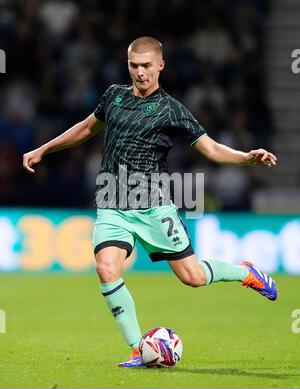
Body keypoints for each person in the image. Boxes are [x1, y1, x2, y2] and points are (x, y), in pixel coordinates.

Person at [23, 36, 278, 368]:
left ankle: (245, 272)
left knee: (193, 277)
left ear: (161, 65)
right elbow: (87, 128)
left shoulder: (172, 110)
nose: (140, 72)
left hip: (154, 206)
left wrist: (247, 157)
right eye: (133, 66)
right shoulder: (113, 96)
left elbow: (211, 148)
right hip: (112, 203)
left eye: (146, 66)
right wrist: (44, 149)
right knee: (106, 268)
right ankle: (137, 348)